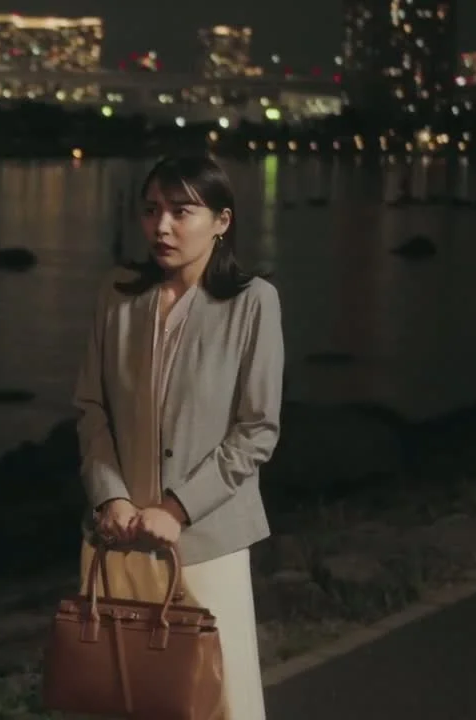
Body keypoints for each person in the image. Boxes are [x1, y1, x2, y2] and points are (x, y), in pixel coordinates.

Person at [73, 155, 285, 719]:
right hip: (121, 537)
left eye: (181, 211)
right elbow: (91, 407)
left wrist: (177, 508)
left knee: (217, 699)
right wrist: (110, 496)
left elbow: (257, 429)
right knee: (130, 697)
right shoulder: (118, 294)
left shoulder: (252, 302)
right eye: (151, 210)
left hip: (206, 541)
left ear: (221, 221)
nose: (161, 226)